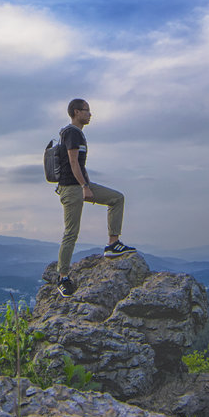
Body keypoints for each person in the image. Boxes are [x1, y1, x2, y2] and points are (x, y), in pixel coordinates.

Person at [55, 98, 135, 297]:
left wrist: (87, 184)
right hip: (72, 188)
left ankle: (112, 244)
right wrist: (84, 186)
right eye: (86, 110)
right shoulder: (72, 132)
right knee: (71, 232)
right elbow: (73, 163)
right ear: (76, 112)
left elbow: (79, 164)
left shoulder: (77, 134)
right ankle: (63, 277)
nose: (90, 114)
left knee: (117, 198)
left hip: (82, 185)